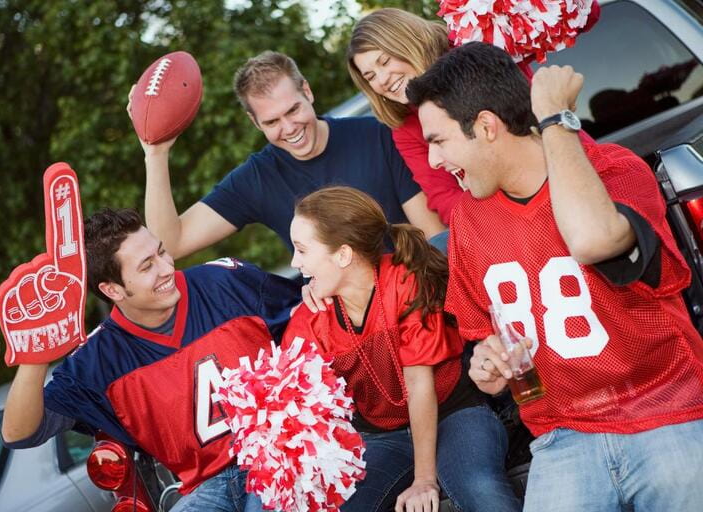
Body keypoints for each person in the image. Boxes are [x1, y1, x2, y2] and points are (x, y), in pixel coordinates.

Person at [408, 41, 703, 511]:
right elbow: (487, 341)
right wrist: (487, 365)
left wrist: (553, 118)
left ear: (486, 126)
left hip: (666, 408)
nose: (435, 162)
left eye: (438, 141)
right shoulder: (468, 220)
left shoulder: (614, 169)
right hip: (563, 434)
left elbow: (592, 239)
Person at [1, 208, 301, 512]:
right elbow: (19, 433)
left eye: (161, 252)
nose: (166, 268)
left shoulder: (224, 283)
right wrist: (35, 357)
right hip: (206, 486)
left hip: (280, 457)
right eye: (147, 267)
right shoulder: (99, 358)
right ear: (112, 289)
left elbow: (308, 314)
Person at [284, 186, 521, 512]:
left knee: (479, 487)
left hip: (452, 410)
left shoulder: (404, 279)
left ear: (342, 255)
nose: (295, 262)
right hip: (382, 435)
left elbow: (419, 385)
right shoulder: (310, 320)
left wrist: (424, 479)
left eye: (302, 250)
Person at [133, 50, 445, 261]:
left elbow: (433, 238)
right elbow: (170, 244)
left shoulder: (377, 135)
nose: (289, 128)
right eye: (271, 121)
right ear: (254, 122)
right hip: (346, 331)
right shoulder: (258, 178)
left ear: (307, 92)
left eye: (293, 109)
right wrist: (155, 153)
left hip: (415, 302)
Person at [346, 7, 599, 227]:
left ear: (406, 43)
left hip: (573, 173)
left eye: (384, 61)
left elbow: (586, 16)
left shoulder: (474, 48)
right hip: (513, 219)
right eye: (370, 77)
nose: (382, 80)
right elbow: (443, 197)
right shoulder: (404, 126)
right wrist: (504, 222)